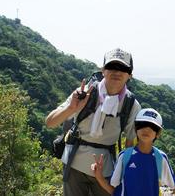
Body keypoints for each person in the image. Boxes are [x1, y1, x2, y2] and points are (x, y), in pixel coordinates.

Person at [45, 48, 141, 196]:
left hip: (106, 169)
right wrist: (71, 108)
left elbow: (129, 142)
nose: (117, 72)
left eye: (123, 68)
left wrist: (126, 173)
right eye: (112, 67)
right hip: (74, 164)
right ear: (103, 70)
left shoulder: (131, 104)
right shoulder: (85, 93)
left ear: (130, 74)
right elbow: (50, 122)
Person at [91, 108, 175, 196]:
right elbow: (114, 190)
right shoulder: (125, 156)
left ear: (158, 133)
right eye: (142, 124)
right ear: (135, 129)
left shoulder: (160, 158)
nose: (146, 129)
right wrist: (99, 176)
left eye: (152, 126)